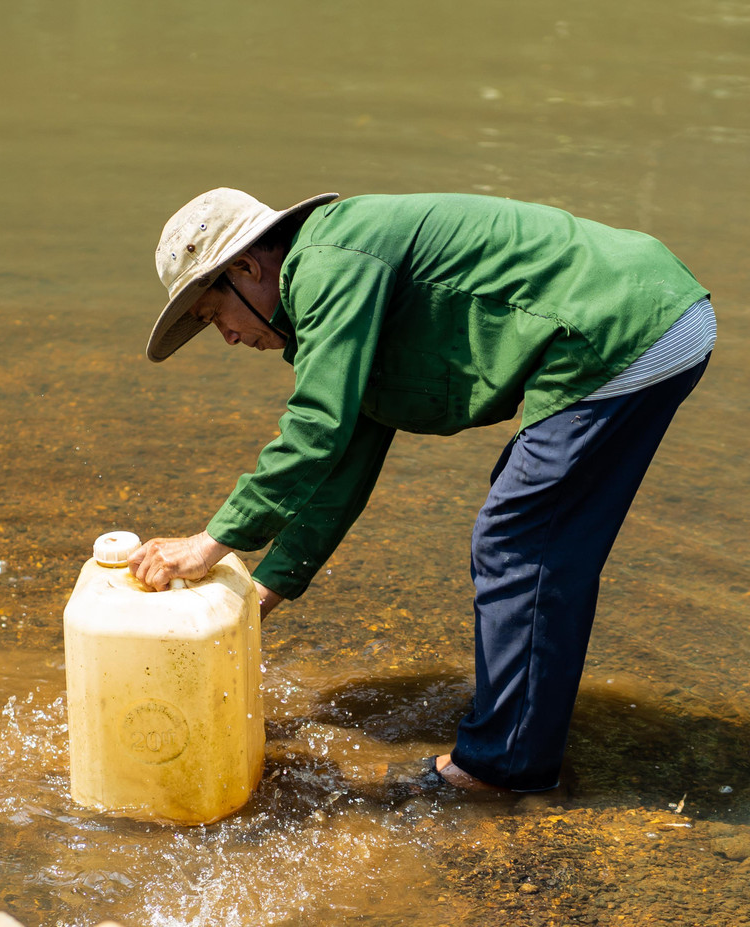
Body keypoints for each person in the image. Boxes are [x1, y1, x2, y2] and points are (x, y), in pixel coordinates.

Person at [128, 187, 715, 794]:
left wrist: (209, 542)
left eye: (212, 314)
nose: (225, 337)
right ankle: (517, 749)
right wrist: (254, 601)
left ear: (246, 269)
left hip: (622, 325)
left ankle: (501, 769)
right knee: (531, 537)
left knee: (519, 540)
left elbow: (315, 430)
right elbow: (341, 464)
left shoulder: (327, 263)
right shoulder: (338, 296)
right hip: (649, 313)